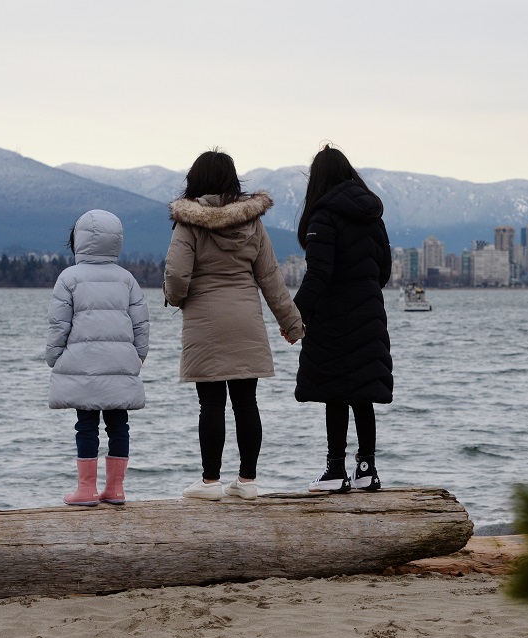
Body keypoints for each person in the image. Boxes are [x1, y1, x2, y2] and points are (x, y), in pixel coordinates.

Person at [164, 149, 304, 501]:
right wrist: (292, 324)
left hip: (205, 321)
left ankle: (210, 482)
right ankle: (247, 481)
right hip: (246, 320)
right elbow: (271, 277)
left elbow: (178, 276)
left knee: (210, 404)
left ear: (196, 180)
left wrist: (175, 297)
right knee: (246, 402)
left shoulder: (188, 222)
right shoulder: (252, 222)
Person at [293, 145, 393, 493]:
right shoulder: (373, 216)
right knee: (363, 392)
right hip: (369, 313)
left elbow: (319, 275)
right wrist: (362, 294)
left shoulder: (323, 217)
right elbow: (384, 271)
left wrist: (295, 315)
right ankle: (367, 469)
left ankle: (335, 470)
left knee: (334, 391)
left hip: (334, 318)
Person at [46, 210, 150, 506]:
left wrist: (54, 357)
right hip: (121, 366)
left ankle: (86, 489)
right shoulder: (127, 280)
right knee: (120, 425)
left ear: (78, 241)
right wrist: (136, 359)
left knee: (86, 425)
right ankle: (115, 489)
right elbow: (141, 326)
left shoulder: (68, 278)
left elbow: (59, 325)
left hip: (82, 366)